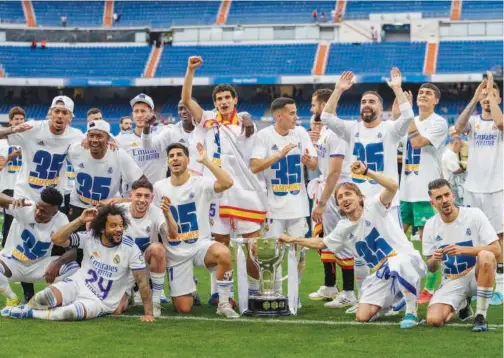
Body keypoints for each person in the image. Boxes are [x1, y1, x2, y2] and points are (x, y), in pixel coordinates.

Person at [280, 161, 426, 329]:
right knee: (362, 316)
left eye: (348, 194)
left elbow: (393, 187)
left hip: (408, 261)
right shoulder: (343, 227)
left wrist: (367, 171)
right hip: (383, 273)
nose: (344, 199)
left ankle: (411, 312)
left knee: (398, 262)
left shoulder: (374, 205)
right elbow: (321, 243)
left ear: (359, 197)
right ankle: (396, 297)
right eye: (340, 198)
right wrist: (293, 239)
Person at [321, 68, 414, 312]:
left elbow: (407, 117)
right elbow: (327, 116)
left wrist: (396, 88)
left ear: (380, 108)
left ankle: (402, 295)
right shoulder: (352, 129)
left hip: (384, 201)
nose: (366, 104)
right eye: (363, 101)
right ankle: (366, 297)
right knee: (361, 256)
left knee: (394, 250)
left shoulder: (391, 129)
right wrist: (339, 90)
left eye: (372, 101)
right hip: (359, 205)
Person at [181, 56, 264, 304]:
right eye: (219, 99)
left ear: (235, 100)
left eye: (227, 98)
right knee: (220, 243)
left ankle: (254, 292)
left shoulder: (248, 125)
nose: (223, 102)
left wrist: (247, 118)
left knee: (253, 247)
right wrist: (190, 72)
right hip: (217, 191)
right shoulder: (207, 120)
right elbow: (186, 100)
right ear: (215, 103)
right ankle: (220, 293)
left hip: (244, 191)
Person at [7, 205, 154, 322]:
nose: (119, 229)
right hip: (76, 285)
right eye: (113, 225)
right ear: (103, 228)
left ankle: (29, 313)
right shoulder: (90, 238)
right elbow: (57, 239)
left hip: (100, 301)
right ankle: (25, 308)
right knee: (43, 297)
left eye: (121, 225)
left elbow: (142, 281)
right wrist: (80, 220)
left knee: (66, 314)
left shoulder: (130, 248)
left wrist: (148, 313)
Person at [152, 142, 239, 318]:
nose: (175, 158)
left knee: (222, 252)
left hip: (200, 245)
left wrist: (207, 161)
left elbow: (228, 182)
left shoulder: (199, 183)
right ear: (168, 162)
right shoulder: (159, 187)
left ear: (188, 160)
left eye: (179, 155)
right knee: (183, 308)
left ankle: (223, 302)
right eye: (171, 156)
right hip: (175, 252)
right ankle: (190, 288)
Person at [250, 97, 318, 302]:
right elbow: (254, 166)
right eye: (292, 113)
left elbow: (314, 164)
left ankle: (293, 294)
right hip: (274, 207)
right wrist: (278, 156)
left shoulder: (300, 133)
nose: (296, 117)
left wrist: (309, 161)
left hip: (298, 206)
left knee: (299, 254)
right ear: (279, 116)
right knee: (272, 254)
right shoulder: (263, 136)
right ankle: (276, 292)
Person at [423, 179, 500, 332]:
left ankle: (480, 315)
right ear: (432, 203)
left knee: (486, 255)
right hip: (451, 279)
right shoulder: (430, 225)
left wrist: (463, 250)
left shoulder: (474, 215)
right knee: (434, 319)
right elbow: (431, 268)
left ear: (453, 195)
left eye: (446, 195)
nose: (444, 200)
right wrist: (434, 259)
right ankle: (463, 303)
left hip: (476, 274)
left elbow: (496, 250)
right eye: (438, 198)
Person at [455, 72, 503, 305]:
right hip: (472, 187)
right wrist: (475, 98)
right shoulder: (474, 122)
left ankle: (501, 285)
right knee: (473, 236)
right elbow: (458, 126)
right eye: (485, 94)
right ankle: (474, 282)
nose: (487, 98)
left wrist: (492, 88)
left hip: (496, 187)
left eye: (491, 95)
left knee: (499, 236)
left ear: (499, 99)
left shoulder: (500, 120)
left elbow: (501, 123)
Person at [399, 83, 448, 303]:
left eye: (428, 94)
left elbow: (417, 142)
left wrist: (407, 114)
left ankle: (430, 288)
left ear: (436, 100)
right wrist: (402, 113)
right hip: (405, 191)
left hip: (425, 192)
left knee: (429, 243)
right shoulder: (412, 119)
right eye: (421, 93)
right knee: (396, 239)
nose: (423, 96)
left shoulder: (438, 122)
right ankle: (398, 284)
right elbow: (397, 141)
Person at [308, 89, 356, 308]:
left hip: (336, 191)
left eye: (314, 104)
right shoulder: (327, 130)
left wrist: (322, 202)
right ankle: (330, 285)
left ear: (324, 104)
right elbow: (323, 166)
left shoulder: (336, 132)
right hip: (326, 187)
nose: (311, 109)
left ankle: (348, 292)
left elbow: (335, 172)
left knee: (341, 240)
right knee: (325, 239)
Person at [0, 187, 79, 308]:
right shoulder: (26, 207)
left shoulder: (61, 220)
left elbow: (72, 251)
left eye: (43, 212)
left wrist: (58, 262)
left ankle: (47, 299)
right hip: (11, 263)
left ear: (54, 213)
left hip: (38, 266)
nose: (38, 212)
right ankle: (12, 298)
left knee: (73, 268)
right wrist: (12, 200)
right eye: (38, 208)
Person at [0, 95, 83, 203]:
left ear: (70, 118)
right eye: (56, 111)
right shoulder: (32, 128)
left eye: (64, 112)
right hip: (26, 196)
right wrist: (12, 129)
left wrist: (109, 140)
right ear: (50, 113)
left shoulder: (76, 135)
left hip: (52, 199)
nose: (60, 116)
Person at [66, 120, 144, 230]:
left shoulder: (118, 154)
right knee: (74, 243)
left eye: (99, 136)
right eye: (91, 136)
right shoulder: (76, 150)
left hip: (107, 208)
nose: (94, 140)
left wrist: (124, 200)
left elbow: (141, 182)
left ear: (108, 139)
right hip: (78, 205)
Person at [117, 178, 177, 315]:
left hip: (144, 266)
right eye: (138, 195)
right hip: (123, 267)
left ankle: (155, 301)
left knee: (157, 248)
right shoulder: (119, 211)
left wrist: (168, 214)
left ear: (152, 198)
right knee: (117, 309)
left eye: (146, 196)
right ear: (130, 195)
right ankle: (130, 293)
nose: (142, 200)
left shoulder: (156, 212)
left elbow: (172, 235)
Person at [141, 99, 206, 177]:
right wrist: (146, 128)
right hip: (178, 182)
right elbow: (148, 147)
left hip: (201, 182)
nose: (183, 111)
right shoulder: (171, 131)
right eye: (180, 108)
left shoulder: (206, 130)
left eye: (187, 107)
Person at [0, 107, 24, 247]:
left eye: (21, 119)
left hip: (24, 185)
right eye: (16, 119)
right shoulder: (2, 142)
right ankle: (5, 252)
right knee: (9, 221)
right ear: (10, 122)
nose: (19, 122)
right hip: (8, 187)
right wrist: (11, 156)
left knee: (25, 221)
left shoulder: (29, 140)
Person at [441, 136, 465, 205]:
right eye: (460, 146)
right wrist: (465, 168)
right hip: (452, 185)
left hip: (449, 183)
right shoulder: (450, 154)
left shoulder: (446, 153)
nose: (460, 149)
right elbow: (456, 170)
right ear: (456, 143)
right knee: (458, 204)